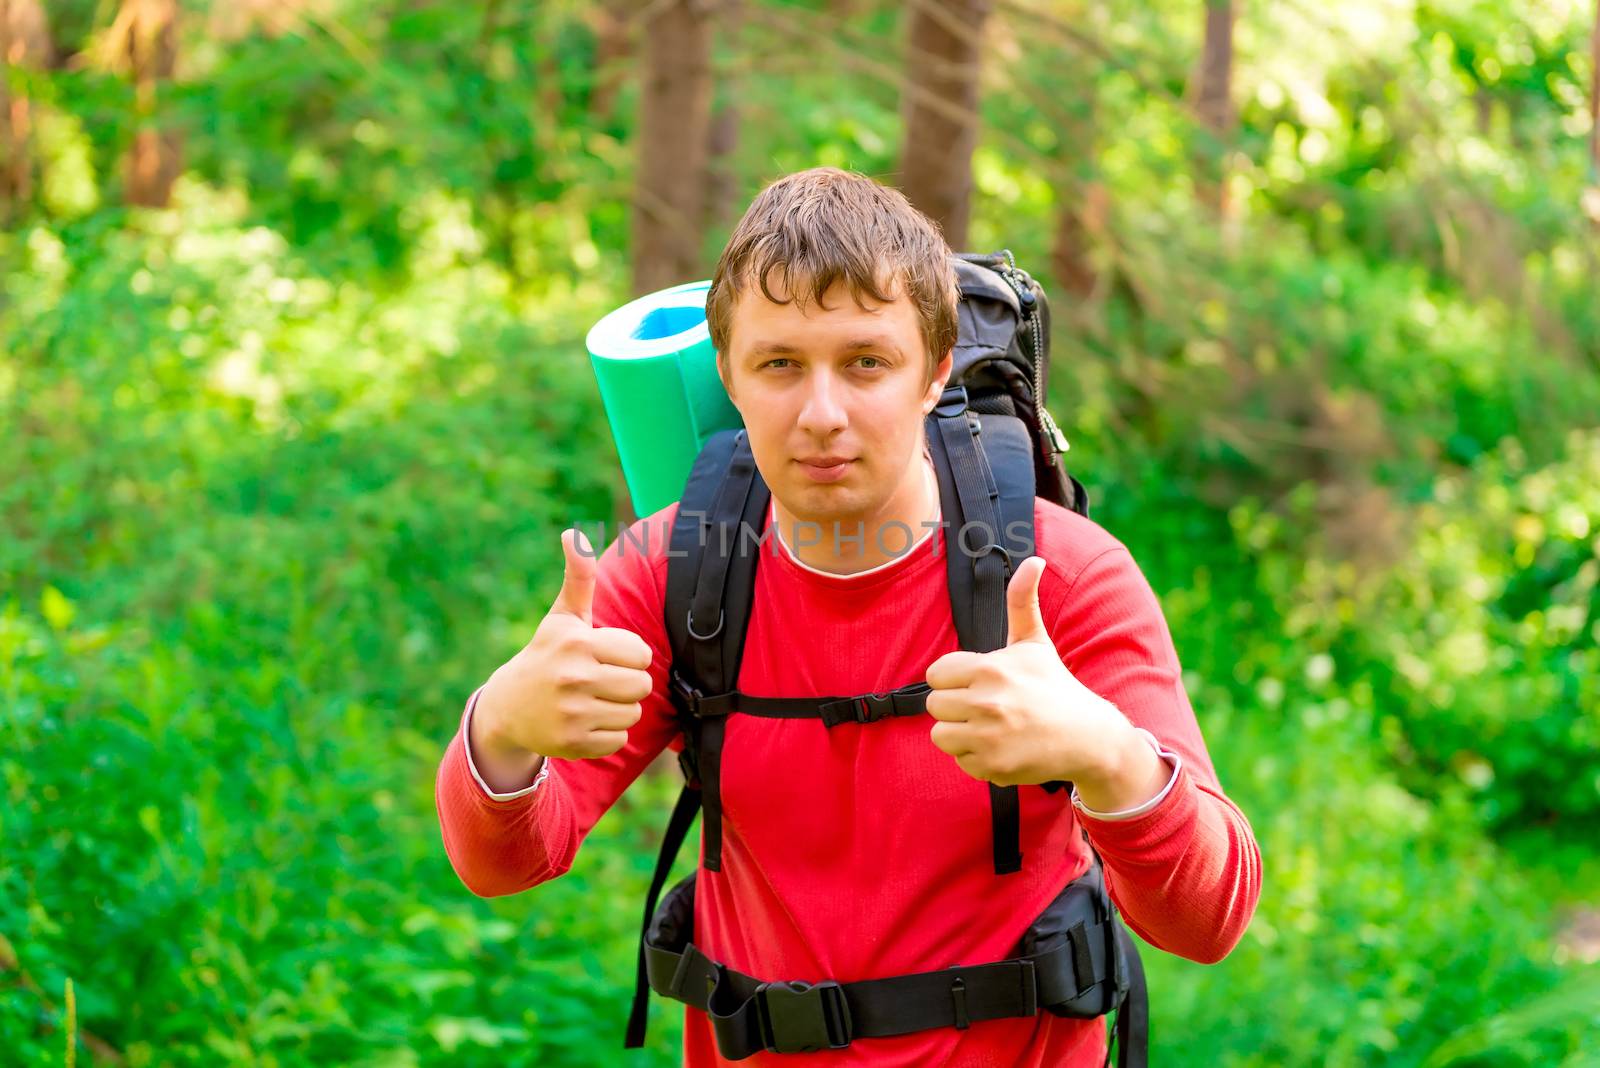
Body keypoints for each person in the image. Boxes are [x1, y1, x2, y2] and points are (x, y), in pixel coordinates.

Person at [435, 167, 1262, 1066]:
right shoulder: (676, 568)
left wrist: (1108, 756)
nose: (821, 414)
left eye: (866, 362)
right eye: (780, 364)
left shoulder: (1059, 577)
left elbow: (1210, 917)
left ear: (934, 371)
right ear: (729, 375)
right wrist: (502, 728)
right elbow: (504, 862)